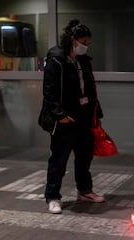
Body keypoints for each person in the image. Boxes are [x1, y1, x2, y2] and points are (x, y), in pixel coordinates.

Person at [39, 19, 105, 214]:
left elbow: (91, 89)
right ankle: (52, 197)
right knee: (59, 160)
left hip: (83, 117)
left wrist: (96, 114)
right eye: (83, 42)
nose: (86, 46)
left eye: (88, 43)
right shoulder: (56, 59)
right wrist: (60, 115)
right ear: (72, 39)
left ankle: (84, 191)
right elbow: (49, 92)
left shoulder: (83, 60)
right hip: (64, 119)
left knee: (84, 157)